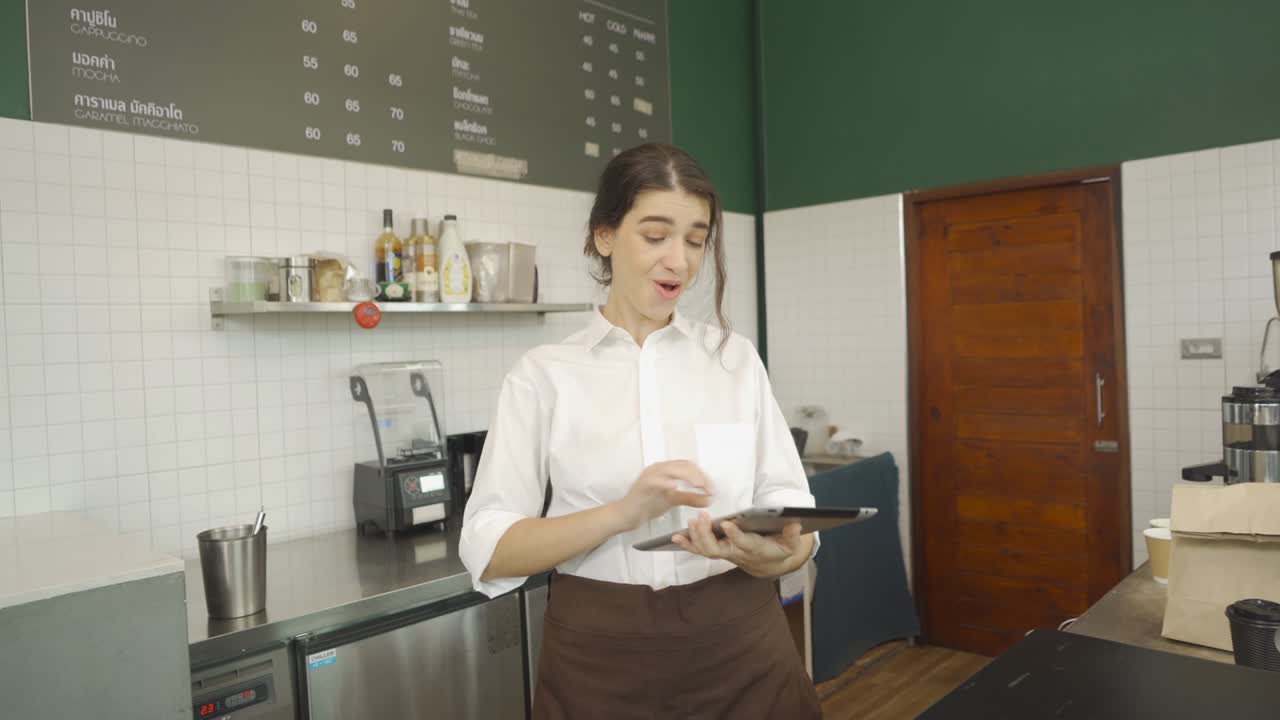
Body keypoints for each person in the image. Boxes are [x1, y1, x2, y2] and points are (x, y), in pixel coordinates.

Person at [460, 143, 822, 719]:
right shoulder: (543, 376)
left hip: (745, 647)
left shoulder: (734, 360)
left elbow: (792, 512)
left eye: (696, 239)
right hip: (601, 660)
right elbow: (489, 548)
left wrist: (775, 556)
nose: (679, 260)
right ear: (605, 235)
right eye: (656, 236)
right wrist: (624, 513)